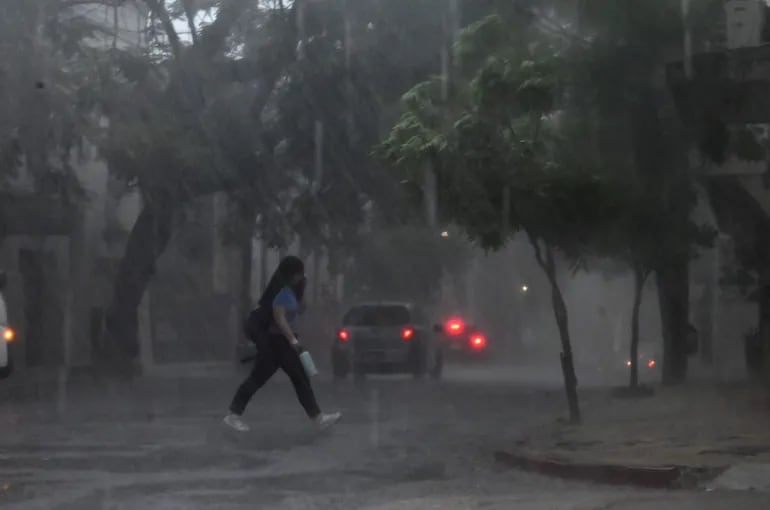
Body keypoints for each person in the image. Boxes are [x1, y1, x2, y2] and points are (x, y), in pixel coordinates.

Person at [224, 256, 340, 432]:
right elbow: (280, 320)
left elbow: (298, 310)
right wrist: (292, 340)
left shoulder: (289, 291)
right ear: (291, 274)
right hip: (277, 342)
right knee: (289, 378)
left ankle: (317, 417)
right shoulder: (280, 293)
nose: (301, 276)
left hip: (280, 342)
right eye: (299, 273)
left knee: (285, 378)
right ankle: (317, 417)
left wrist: (304, 288)